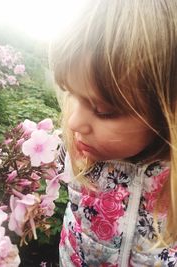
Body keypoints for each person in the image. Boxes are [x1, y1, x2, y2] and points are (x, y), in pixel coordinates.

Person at [50, 0, 177, 266]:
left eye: (103, 110)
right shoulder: (77, 147)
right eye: (72, 94)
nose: (74, 123)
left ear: (167, 113)